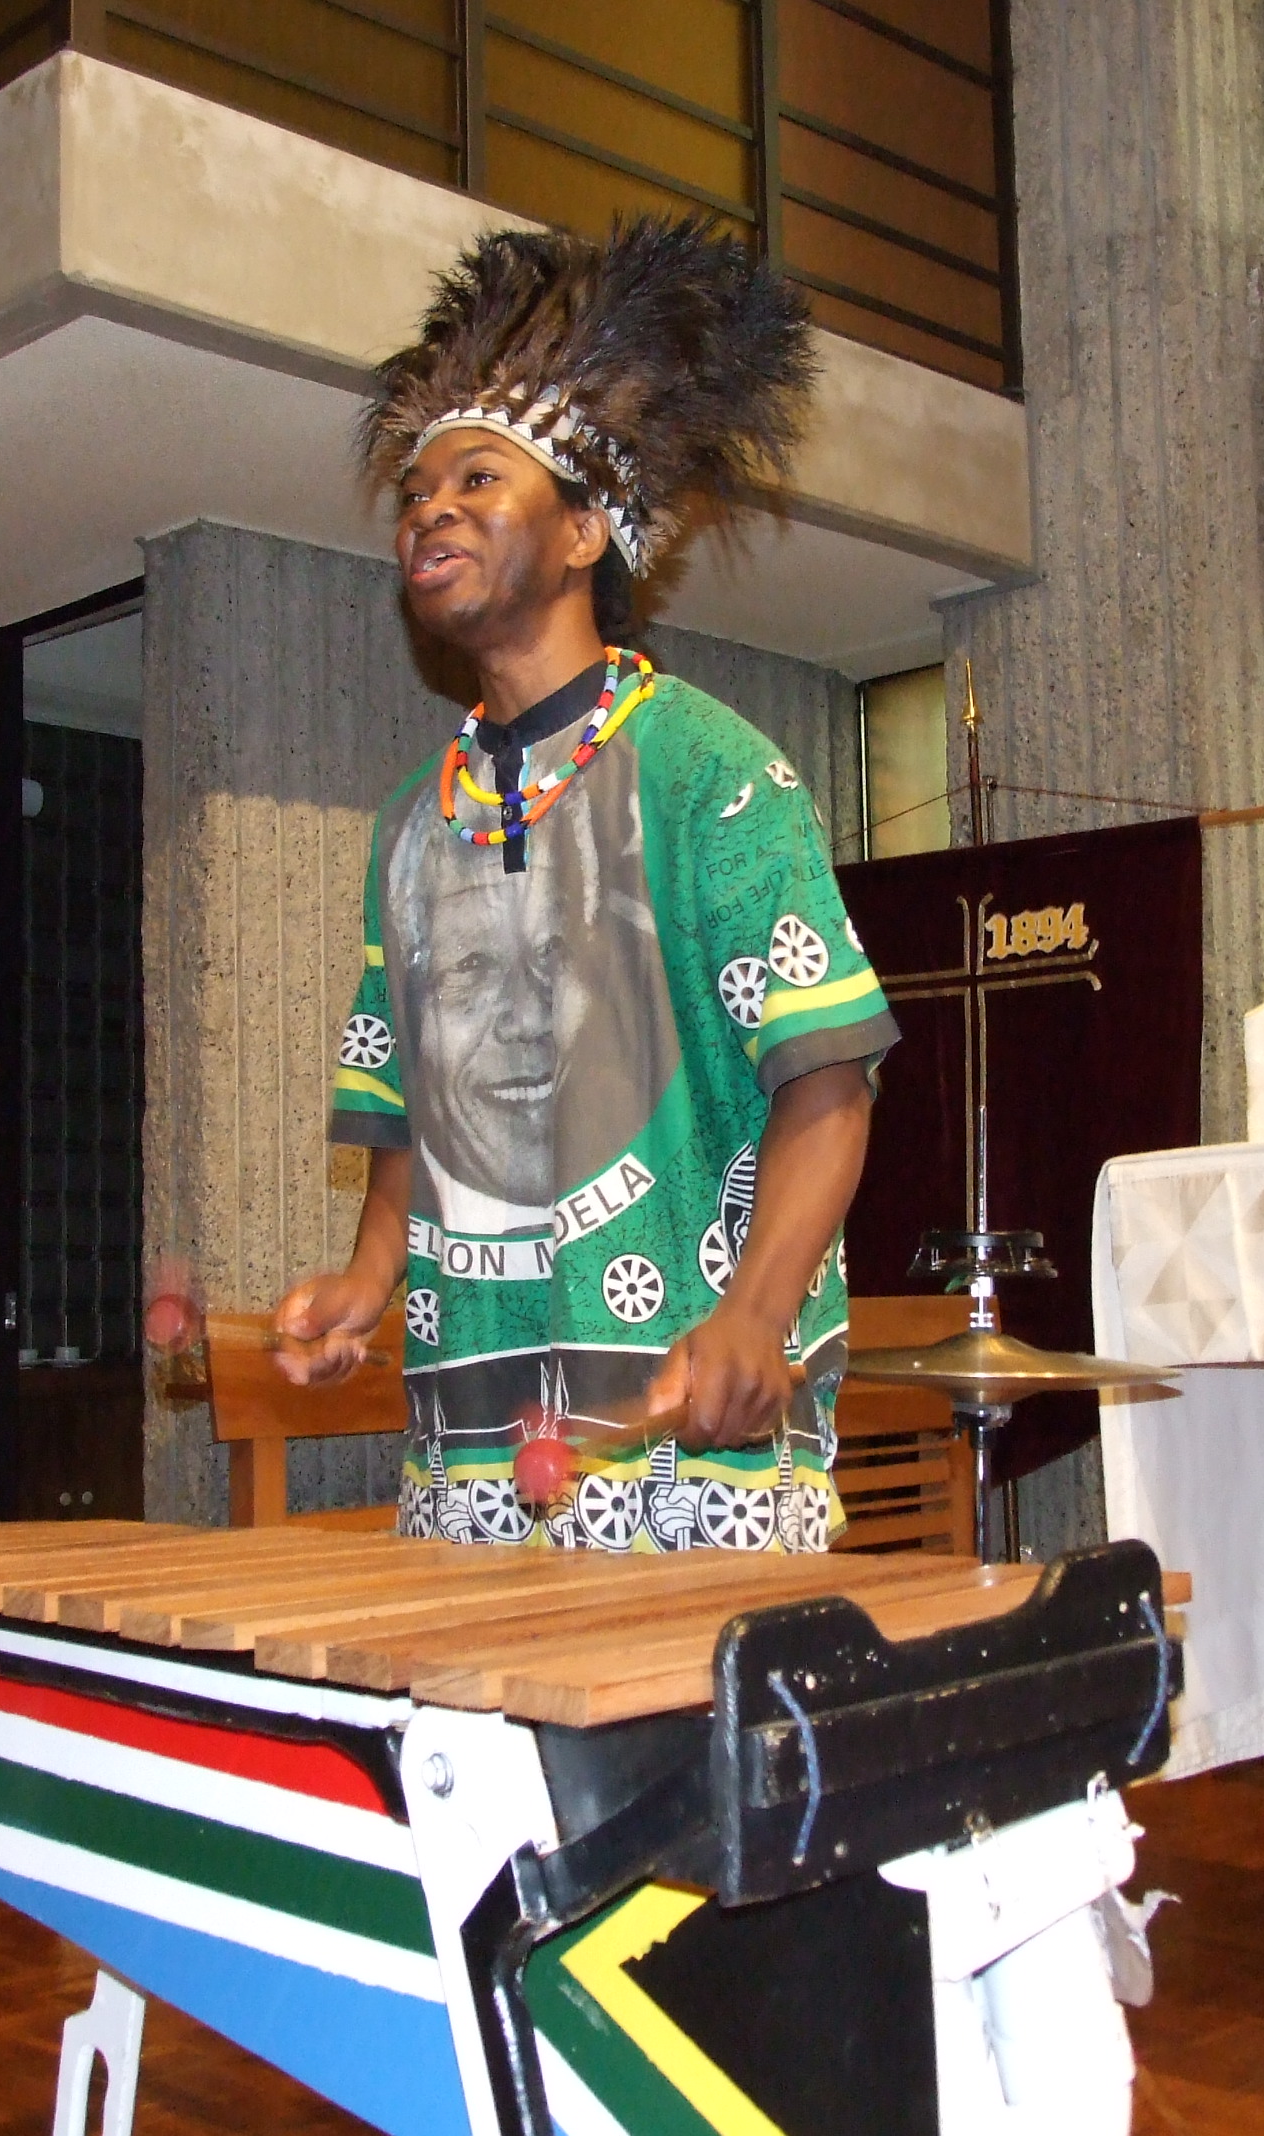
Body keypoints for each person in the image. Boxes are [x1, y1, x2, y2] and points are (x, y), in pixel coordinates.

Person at [270, 216, 898, 1553]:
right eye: (415, 494)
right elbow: (404, 1117)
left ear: (582, 534)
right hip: (470, 1462)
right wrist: (368, 1281)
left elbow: (829, 1084)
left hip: (687, 1450)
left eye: (478, 480)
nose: (429, 509)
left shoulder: (710, 774)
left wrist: (757, 1313)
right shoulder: (409, 824)